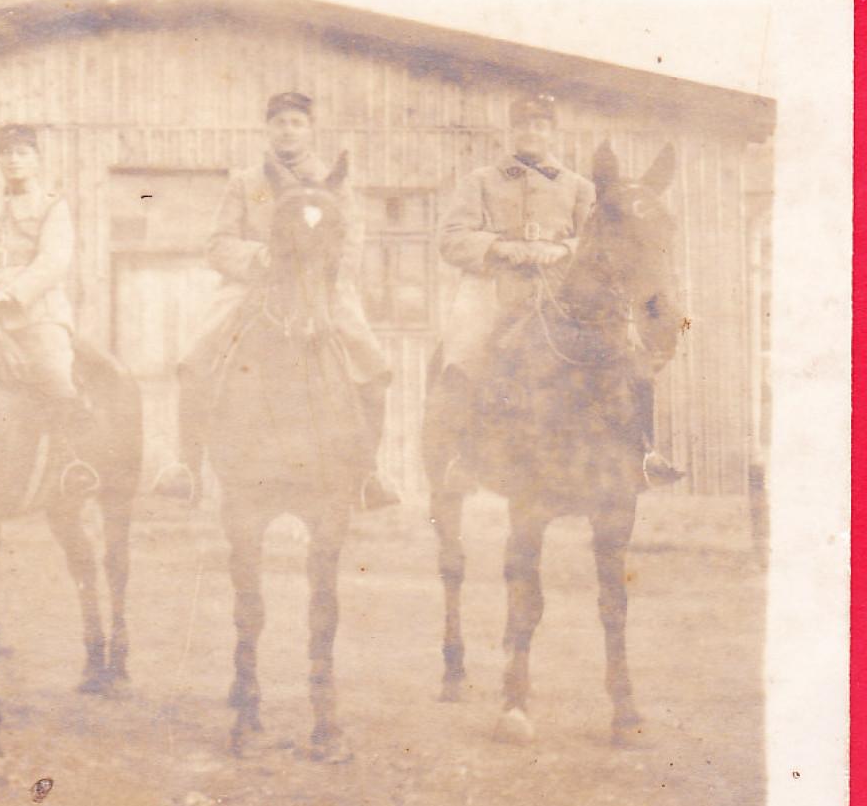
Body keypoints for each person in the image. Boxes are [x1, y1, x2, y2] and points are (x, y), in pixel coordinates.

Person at [154, 91, 400, 509]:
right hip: (253, 287)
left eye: (296, 122)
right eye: (280, 122)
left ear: (310, 130)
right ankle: (187, 469)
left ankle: (368, 474)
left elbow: (353, 243)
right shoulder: (246, 183)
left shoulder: (333, 182)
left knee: (372, 366)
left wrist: (324, 278)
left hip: (323, 288)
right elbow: (218, 244)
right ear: (268, 129)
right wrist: (259, 258)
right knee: (196, 359)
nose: (288, 130)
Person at [434, 94, 681, 489]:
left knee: (629, 354)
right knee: (469, 350)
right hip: (495, 284)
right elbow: (451, 238)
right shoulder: (480, 181)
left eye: (541, 125)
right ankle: (464, 455)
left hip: (561, 285)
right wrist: (499, 247)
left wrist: (561, 248)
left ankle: (644, 451)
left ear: (552, 132)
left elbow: (597, 237)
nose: (533, 132)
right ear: (513, 131)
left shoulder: (579, 187)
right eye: (525, 125)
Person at [0, 123, 97, 493]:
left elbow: (53, 260)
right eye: (7, 153)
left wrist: (12, 294)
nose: (14, 160)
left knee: (54, 374)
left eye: (22, 153)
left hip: (35, 316)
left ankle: (72, 463)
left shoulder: (52, 206)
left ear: (36, 159)